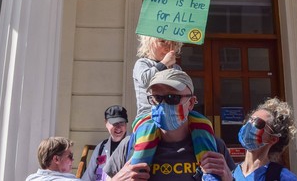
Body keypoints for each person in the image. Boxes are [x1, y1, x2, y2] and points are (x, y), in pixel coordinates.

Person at [104, 69, 236, 181]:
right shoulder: (131, 144)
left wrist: (229, 178)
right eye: (157, 98)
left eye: (172, 98)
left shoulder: (213, 146)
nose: (163, 105)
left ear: (191, 103)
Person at [233, 98, 297, 181]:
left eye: (257, 123)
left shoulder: (283, 177)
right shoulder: (229, 173)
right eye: (249, 120)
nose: (249, 125)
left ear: (273, 139)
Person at [133, 35, 183, 118]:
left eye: (173, 43)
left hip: (172, 115)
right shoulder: (143, 63)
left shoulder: (176, 68)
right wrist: (164, 63)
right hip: (148, 116)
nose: (168, 48)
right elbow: (146, 81)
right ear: (149, 43)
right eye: (162, 42)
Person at [81, 105, 129, 181]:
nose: (118, 127)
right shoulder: (101, 147)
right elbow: (88, 176)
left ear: (126, 124)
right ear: (106, 123)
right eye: (114, 123)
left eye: (121, 123)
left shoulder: (133, 145)